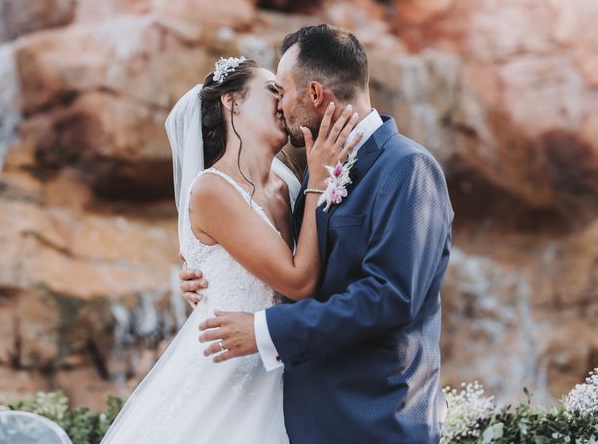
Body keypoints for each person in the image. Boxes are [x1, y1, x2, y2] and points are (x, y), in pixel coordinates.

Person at [182, 24, 455, 443]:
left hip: (374, 420)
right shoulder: (312, 170)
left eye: (283, 92)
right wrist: (206, 273)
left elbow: (390, 297)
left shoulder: (407, 168)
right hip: (296, 415)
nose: (280, 106)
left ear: (314, 95)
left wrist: (263, 329)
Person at [100, 56, 360, 443]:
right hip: (226, 377)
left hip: (286, 373)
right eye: (272, 89)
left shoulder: (290, 183)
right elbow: (296, 282)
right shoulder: (212, 189)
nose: (281, 100)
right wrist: (320, 179)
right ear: (231, 101)